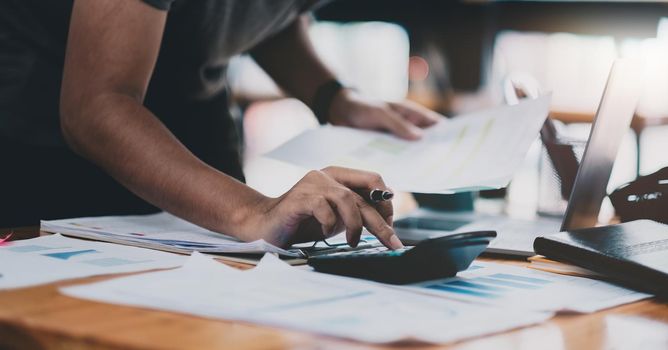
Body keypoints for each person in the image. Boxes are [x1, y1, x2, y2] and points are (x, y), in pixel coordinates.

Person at [0, 0, 440, 249]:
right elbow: (94, 105)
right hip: (46, 134)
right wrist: (253, 210)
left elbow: (265, 13)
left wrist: (332, 97)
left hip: (194, 114)